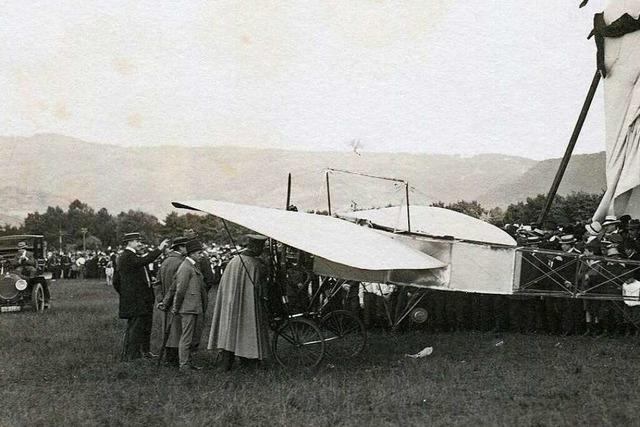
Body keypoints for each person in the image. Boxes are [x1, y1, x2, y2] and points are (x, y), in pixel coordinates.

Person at [208, 234, 270, 370]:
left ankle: (227, 360)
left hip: (230, 302)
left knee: (230, 328)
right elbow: (260, 285)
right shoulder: (255, 264)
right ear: (256, 247)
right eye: (261, 247)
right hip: (248, 303)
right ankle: (247, 359)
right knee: (247, 328)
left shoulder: (234, 261)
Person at [114, 232, 169, 361]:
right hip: (136, 300)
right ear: (129, 243)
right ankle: (132, 356)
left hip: (142, 299)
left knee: (144, 327)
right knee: (136, 328)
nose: (140, 244)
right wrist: (159, 249)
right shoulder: (127, 256)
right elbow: (144, 261)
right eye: (136, 241)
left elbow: (116, 281)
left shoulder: (132, 256)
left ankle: (144, 352)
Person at [163, 239, 208, 370]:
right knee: (186, 338)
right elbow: (179, 289)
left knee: (192, 337)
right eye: (199, 253)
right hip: (188, 308)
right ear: (192, 253)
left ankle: (188, 362)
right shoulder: (185, 267)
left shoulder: (191, 266)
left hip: (193, 307)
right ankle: (183, 365)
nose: (201, 255)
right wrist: (176, 307)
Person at [155, 236, 188, 367]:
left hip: (165, 302)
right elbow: (177, 285)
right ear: (181, 247)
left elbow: (157, 283)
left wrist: (161, 300)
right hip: (176, 302)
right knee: (178, 332)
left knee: (168, 331)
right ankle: (175, 360)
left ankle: (169, 358)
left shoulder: (165, 261)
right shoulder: (182, 263)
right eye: (186, 246)